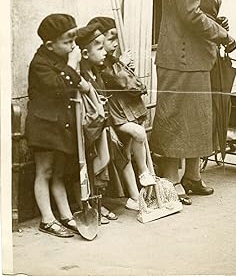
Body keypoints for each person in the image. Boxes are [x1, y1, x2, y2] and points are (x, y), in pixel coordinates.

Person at [150, 0, 236, 205]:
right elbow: (189, 14)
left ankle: (192, 176)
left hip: (193, 57)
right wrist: (223, 35)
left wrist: (216, 24)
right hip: (182, 58)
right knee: (176, 120)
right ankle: (172, 184)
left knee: (196, 119)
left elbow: (198, 9)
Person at [25, 13, 90, 237]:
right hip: (44, 126)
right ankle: (47, 219)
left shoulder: (61, 58)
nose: (73, 46)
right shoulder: (39, 64)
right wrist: (72, 66)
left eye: (74, 40)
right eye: (68, 42)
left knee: (59, 172)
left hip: (61, 125)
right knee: (45, 170)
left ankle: (65, 215)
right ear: (50, 45)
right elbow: (58, 86)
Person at [87, 16, 155, 211]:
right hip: (112, 116)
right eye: (111, 39)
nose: (115, 43)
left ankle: (135, 196)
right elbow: (126, 82)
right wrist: (122, 65)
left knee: (124, 154)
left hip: (121, 114)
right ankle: (143, 173)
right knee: (133, 140)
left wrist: (122, 66)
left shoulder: (110, 61)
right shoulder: (103, 64)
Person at [75, 23, 119, 223]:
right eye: (99, 48)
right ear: (84, 53)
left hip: (101, 127)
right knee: (90, 166)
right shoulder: (81, 76)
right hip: (88, 129)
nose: (104, 53)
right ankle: (89, 205)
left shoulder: (96, 73)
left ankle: (98, 204)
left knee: (103, 161)